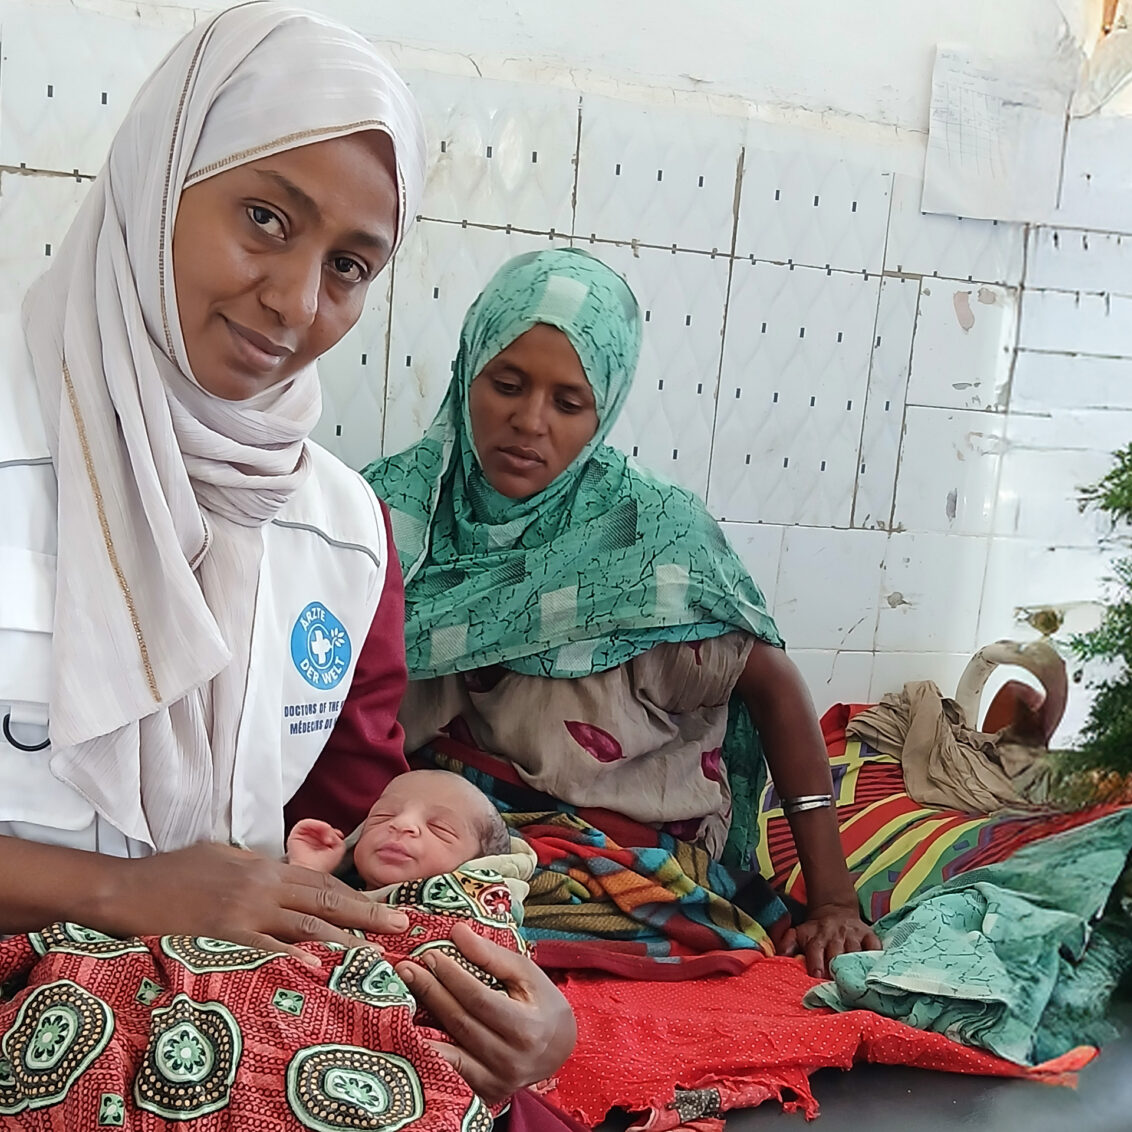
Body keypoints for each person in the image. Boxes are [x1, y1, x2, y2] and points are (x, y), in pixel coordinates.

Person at [0, 2, 573, 1107]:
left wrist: (523, 1006)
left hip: (203, 1035)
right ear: (157, 182)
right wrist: (128, 893)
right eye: (265, 217)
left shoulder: (344, 531)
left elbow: (362, 836)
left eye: (351, 266)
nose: (296, 301)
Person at [364, 248, 882, 978]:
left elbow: (773, 684)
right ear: (467, 371)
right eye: (505, 384)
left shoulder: (650, 534)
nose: (529, 421)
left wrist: (833, 900)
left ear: (604, 407)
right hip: (442, 839)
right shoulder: (389, 511)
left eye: (568, 403)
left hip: (623, 859)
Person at [287, 768, 515, 889]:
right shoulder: (333, 894)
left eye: (439, 828)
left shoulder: (472, 920)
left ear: (479, 865)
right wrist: (307, 869)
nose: (401, 824)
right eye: (383, 815)